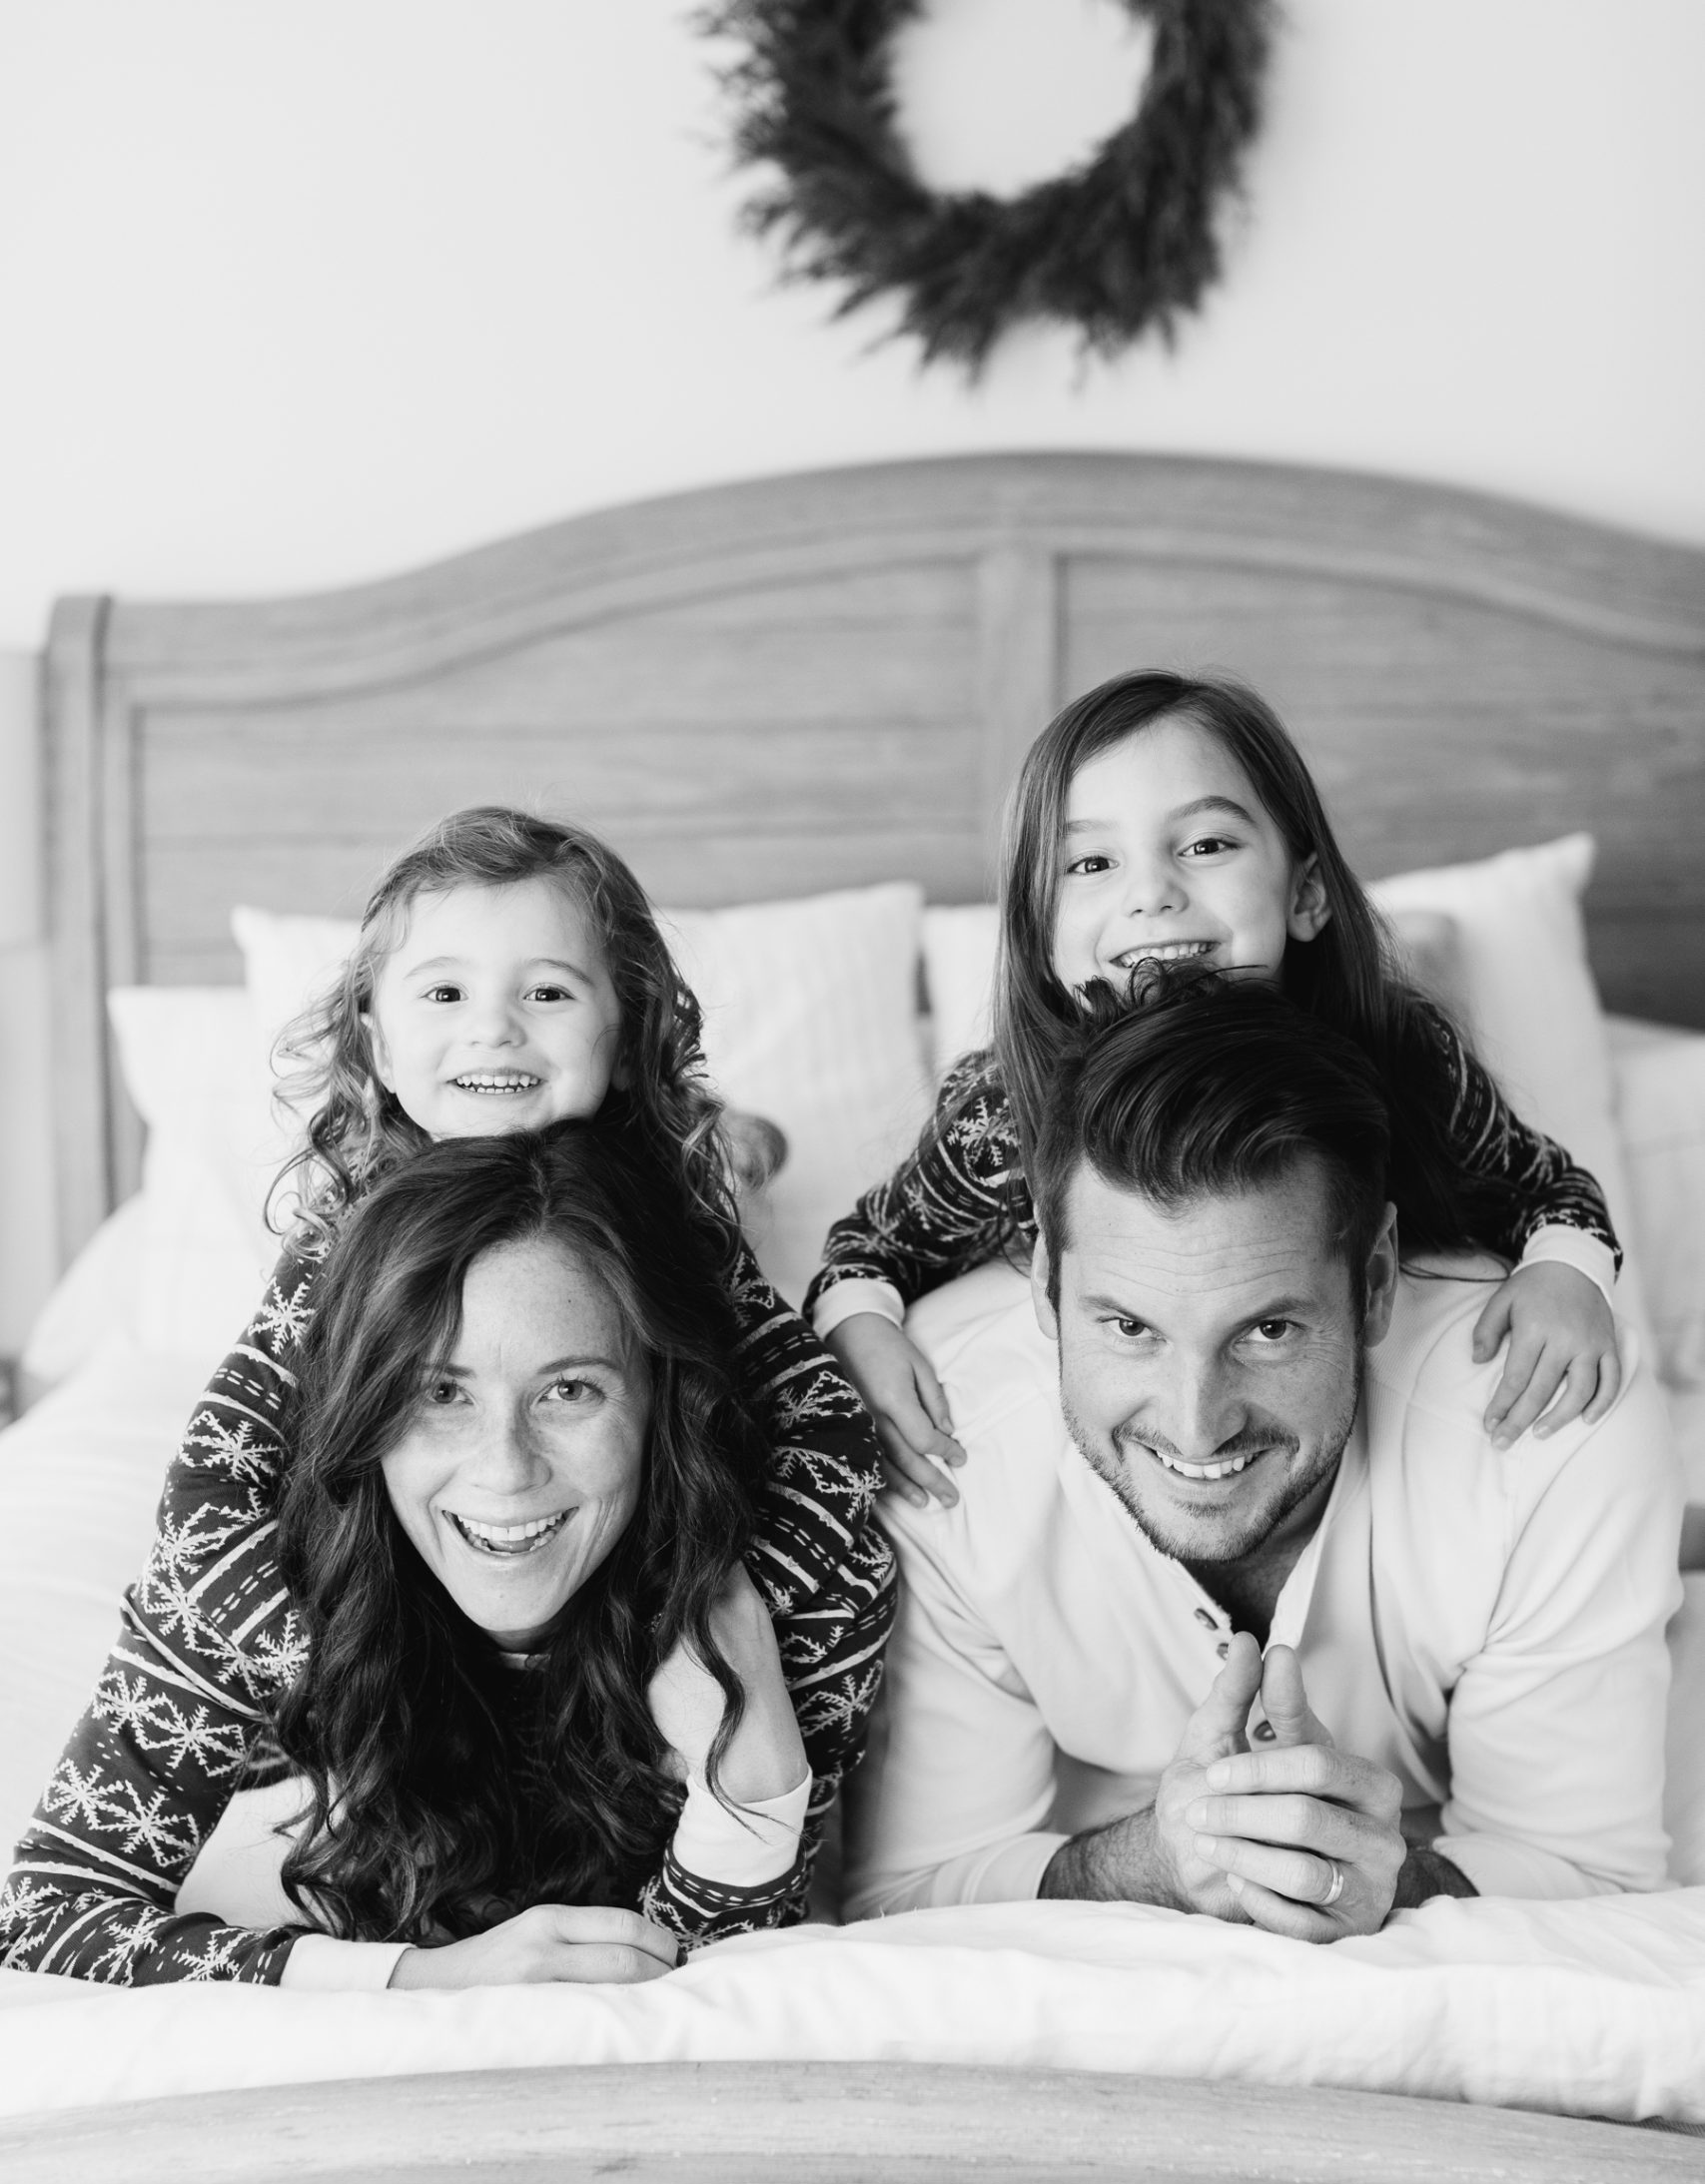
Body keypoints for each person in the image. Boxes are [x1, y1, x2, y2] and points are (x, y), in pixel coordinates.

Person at [0, 804, 894, 1979]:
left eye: (549, 994)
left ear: (626, 1032)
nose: (496, 1033)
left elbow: (806, 1409)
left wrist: (749, 1649)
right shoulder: (339, 1242)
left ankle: (750, 1146)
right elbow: (233, 1443)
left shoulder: (676, 1216)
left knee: (722, 1181)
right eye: (445, 995)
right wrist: (246, 1591)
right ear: (370, 1034)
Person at [844, 979, 1679, 1932]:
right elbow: (907, 1895)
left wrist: (1390, 1879)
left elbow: (1591, 1881)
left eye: (1269, 1330)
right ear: (1043, 1283)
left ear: (1371, 1283)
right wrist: (1155, 1863)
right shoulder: (930, 1437)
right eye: (1128, 1327)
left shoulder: (1551, 1423)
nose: (1197, 1426)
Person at [2, 1124, 847, 1986]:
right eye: (441, 1392)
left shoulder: (796, 1581)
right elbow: (46, 1918)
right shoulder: (253, 1593)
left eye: (569, 1390)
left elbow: (720, 1972)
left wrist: (754, 1777)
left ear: (659, 1408)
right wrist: (414, 1978)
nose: (505, 1470)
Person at [807, 671, 1624, 1509]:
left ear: (1305, 892)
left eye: (1205, 845)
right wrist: (859, 1329)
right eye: (1091, 862)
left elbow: (1544, 1188)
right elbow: (871, 1245)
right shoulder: (1000, 1116)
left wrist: (1568, 1274)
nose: (1151, 892)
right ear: (1039, 931)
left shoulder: (1400, 1056)